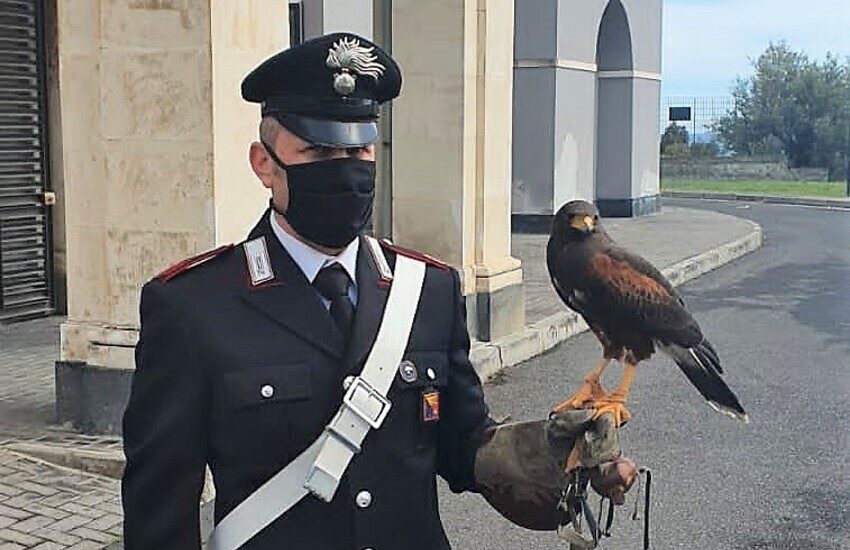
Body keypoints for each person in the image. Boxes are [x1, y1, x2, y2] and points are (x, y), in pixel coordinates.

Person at [121, 33, 627, 549]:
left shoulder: (428, 289)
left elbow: (462, 443)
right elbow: (160, 510)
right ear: (264, 163)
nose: (346, 166)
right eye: (318, 148)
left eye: (359, 147)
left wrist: (552, 453)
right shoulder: (194, 305)